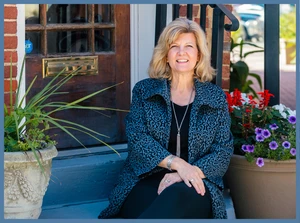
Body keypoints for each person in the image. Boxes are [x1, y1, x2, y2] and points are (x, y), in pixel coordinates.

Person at [98, 17, 233, 219]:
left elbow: (222, 152)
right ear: (166, 55)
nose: (181, 53)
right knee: (153, 208)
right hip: (146, 177)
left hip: (195, 181)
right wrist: (178, 164)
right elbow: (138, 140)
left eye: (189, 46)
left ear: (198, 55)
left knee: (179, 196)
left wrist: (185, 173)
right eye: (174, 46)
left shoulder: (214, 97)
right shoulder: (145, 91)